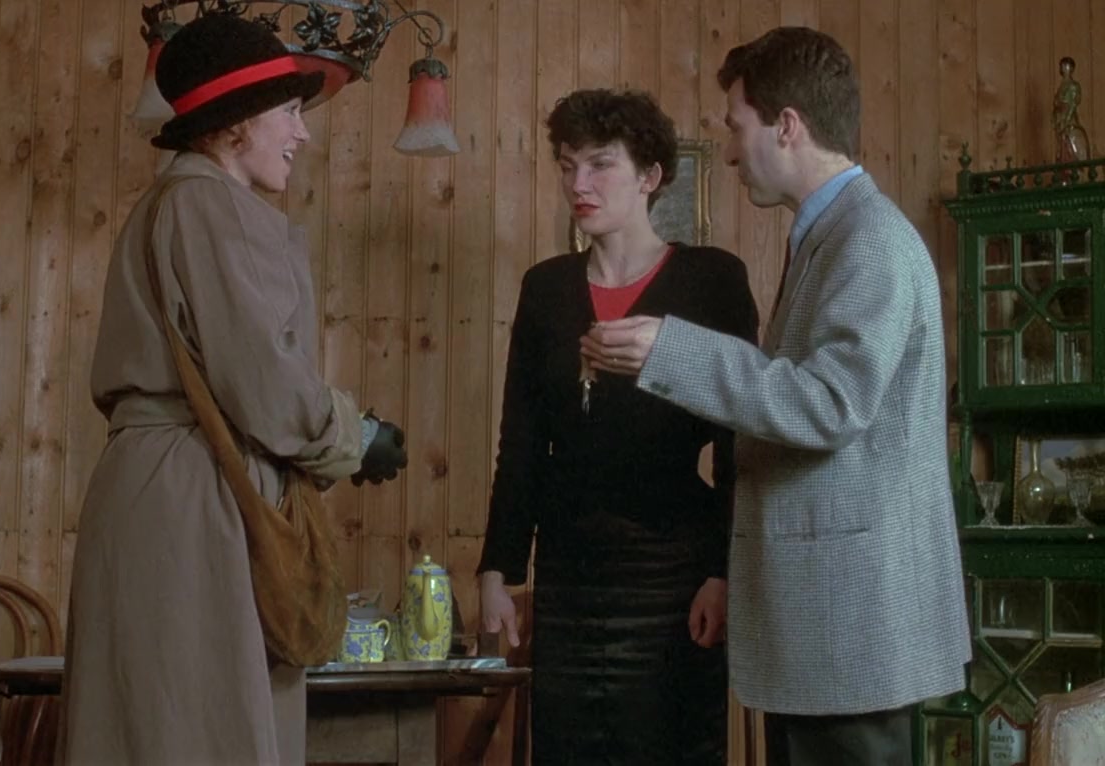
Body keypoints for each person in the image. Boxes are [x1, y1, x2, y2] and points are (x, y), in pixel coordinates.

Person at [582, 27, 971, 765]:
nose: (730, 152)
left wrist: (671, 349)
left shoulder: (869, 240)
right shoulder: (832, 235)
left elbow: (830, 404)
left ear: (786, 125)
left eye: (737, 127)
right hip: (825, 632)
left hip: (851, 632)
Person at [59, 14, 407, 764]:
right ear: (235, 124)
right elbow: (265, 387)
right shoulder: (208, 204)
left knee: (155, 728)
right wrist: (354, 436)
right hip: (197, 498)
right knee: (200, 732)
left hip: (163, 489)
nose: (301, 133)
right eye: (289, 112)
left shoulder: (174, 202)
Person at [477, 88, 760, 764]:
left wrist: (724, 572)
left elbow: (737, 445)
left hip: (676, 571)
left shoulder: (712, 279)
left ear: (650, 176)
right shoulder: (546, 288)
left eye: (600, 164)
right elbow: (522, 443)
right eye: (567, 164)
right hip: (568, 574)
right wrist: (497, 568)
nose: (579, 183)